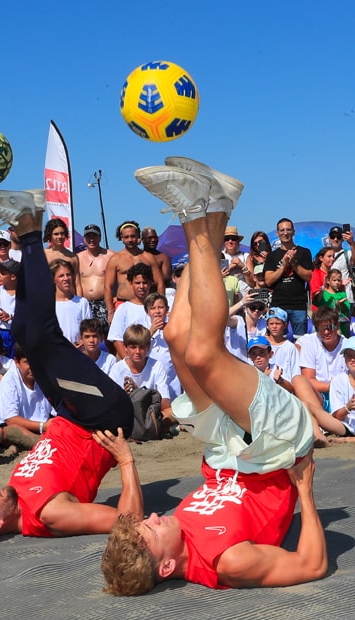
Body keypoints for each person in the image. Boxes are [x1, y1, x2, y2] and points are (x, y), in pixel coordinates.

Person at [101, 159, 327, 594]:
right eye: (150, 531)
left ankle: (216, 205)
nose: (151, 518)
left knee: (179, 337)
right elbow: (312, 564)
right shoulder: (229, 562)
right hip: (276, 445)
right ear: (166, 566)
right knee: (205, 352)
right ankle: (192, 212)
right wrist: (304, 490)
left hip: (227, 451)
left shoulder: (175, 532)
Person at [0, 189, 142, 542]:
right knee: (40, 338)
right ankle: (29, 228)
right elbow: (127, 521)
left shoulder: (15, 492)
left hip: (71, 414)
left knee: (24, 333)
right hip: (103, 418)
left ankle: (29, 225)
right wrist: (126, 461)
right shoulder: (50, 513)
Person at [109, 324, 173, 422]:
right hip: (127, 413)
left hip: (150, 413)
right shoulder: (117, 369)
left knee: (171, 412)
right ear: (125, 348)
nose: (137, 351)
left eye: (142, 347)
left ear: (148, 347)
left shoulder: (157, 366)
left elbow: (165, 402)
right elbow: (112, 402)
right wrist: (126, 395)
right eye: (133, 347)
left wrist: (139, 393)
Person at [104, 220, 164, 324]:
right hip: (122, 304)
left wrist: (160, 306)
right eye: (126, 237)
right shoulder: (115, 259)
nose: (130, 239)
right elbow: (107, 287)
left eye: (133, 236)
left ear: (138, 237)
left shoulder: (148, 257)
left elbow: (160, 283)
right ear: (122, 239)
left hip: (146, 305)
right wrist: (110, 311)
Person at [264, 218, 313, 339]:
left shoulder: (304, 252)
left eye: (288, 230)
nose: (285, 233)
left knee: (301, 342)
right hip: (278, 305)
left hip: (299, 305)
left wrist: (294, 263)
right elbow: (268, 281)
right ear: (277, 233)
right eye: (282, 230)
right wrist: (284, 264)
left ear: (293, 232)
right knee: (278, 342)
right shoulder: (272, 255)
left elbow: (308, 277)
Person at [0, 343, 54, 440]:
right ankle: (40, 442)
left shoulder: (46, 377)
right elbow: (11, 420)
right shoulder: (9, 380)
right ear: (17, 362)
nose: (33, 367)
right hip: (15, 428)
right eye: (27, 362)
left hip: (42, 427)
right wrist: (43, 426)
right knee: (12, 430)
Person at [299, 307, 346, 410]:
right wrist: (332, 386)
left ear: (337, 325)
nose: (325, 332)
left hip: (343, 394)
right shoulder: (309, 343)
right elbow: (308, 379)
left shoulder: (347, 346)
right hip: (319, 395)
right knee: (300, 382)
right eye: (320, 328)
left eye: (329, 327)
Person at [107, 263, 152, 358]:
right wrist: (128, 362)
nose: (141, 286)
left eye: (145, 282)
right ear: (131, 284)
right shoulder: (124, 309)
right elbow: (116, 339)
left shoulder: (156, 309)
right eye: (137, 283)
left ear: (150, 283)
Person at [78, 224, 115, 337]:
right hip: (85, 304)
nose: (92, 239)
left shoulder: (111, 256)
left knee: (111, 339)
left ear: (100, 237)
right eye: (88, 236)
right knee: (86, 338)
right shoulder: (77, 258)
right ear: (84, 239)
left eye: (94, 236)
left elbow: (122, 278)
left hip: (105, 303)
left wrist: (115, 299)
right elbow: (75, 283)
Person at [51, 258, 91, 345]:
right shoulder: (48, 305)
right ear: (53, 279)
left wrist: (82, 342)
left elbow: (89, 330)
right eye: (61, 276)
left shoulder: (82, 302)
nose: (66, 278)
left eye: (68, 275)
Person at [43, 217, 83, 296]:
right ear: (49, 235)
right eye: (56, 234)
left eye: (62, 233)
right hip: (48, 299)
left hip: (68, 299)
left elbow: (77, 283)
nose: (60, 237)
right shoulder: (43, 255)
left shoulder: (72, 257)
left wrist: (80, 302)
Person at [312, 268, 351, 337]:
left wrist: (341, 304)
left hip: (340, 327)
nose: (337, 282)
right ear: (328, 281)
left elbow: (346, 310)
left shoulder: (342, 294)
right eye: (334, 280)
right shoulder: (323, 294)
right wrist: (322, 288)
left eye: (339, 280)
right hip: (324, 325)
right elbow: (316, 301)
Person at [329, 336, 355, 437]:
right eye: (349, 356)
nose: (352, 359)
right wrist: (348, 407)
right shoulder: (338, 381)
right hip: (345, 426)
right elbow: (337, 416)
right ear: (344, 358)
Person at [327, 225, 355, 308]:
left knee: (345, 321)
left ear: (342, 238)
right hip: (329, 298)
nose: (335, 239)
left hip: (345, 298)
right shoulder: (324, 254)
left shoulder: (348, 254)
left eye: (338, 237)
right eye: (333, 236)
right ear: (329, 238)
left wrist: (352, 243)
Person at [222, 225, 254, 293]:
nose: (230, 241)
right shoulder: (219, 256)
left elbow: (252, 283)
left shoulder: (245, 256)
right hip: (228, 297)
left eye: (233, 238)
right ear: (223, 241)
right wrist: (231, 266)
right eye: (227, 238)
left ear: (238, 241)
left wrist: (242, 265)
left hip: (245, 297)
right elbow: (215, 278)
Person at [309, 247, 336, 311]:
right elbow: (317, 298)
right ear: (321, 258)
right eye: (329, 256)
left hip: (333, 311)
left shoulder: (333, 274)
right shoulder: (315, 274)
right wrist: (324, 287)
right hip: (321, 313)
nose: (332, 259)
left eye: (333, 256)